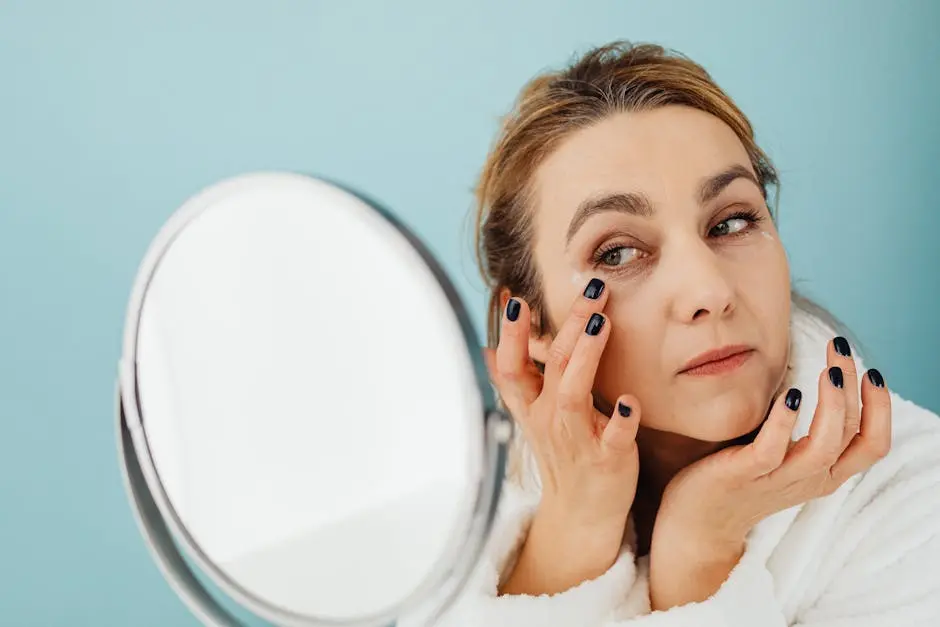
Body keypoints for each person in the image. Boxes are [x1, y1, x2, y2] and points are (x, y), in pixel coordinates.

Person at [438, 41, 940, 626]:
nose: (709, 291)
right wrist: (574, 527)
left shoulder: (917, 503)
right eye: (618, 252)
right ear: (533, 326)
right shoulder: (449, 494)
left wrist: (699, 547)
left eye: (731, 222)